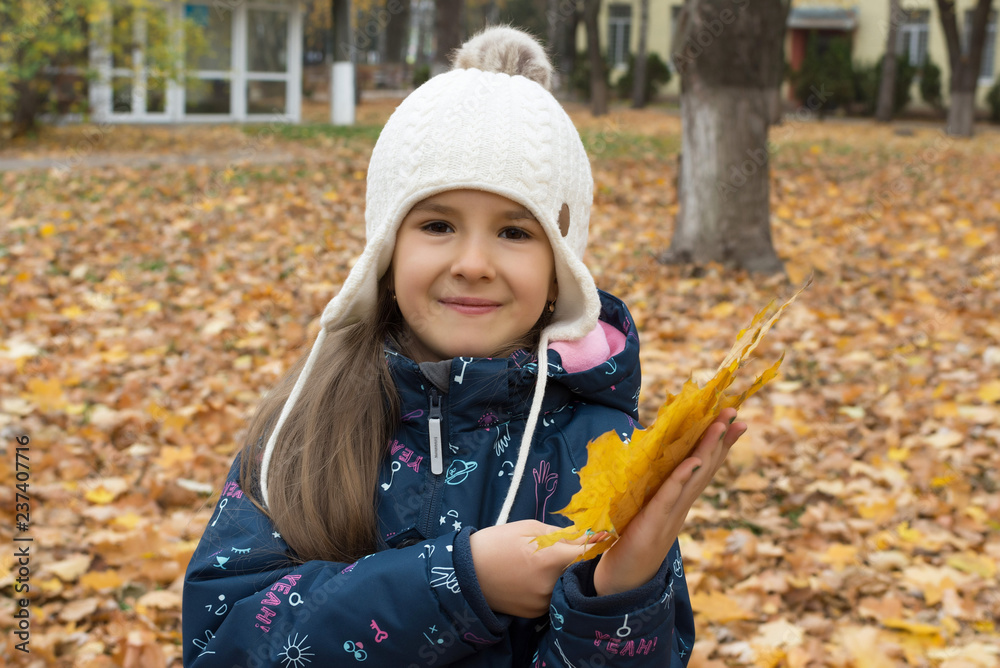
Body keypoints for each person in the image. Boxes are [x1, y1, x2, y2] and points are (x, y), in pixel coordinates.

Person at [182, 26, 746, 668]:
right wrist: (456, 584)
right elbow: (221, 642)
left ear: (561, 267)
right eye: (438, 224)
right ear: (386, 248)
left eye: (514, 232)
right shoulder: (304, 430)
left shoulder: (600, 454)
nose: (473, 263)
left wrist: (617, 596)